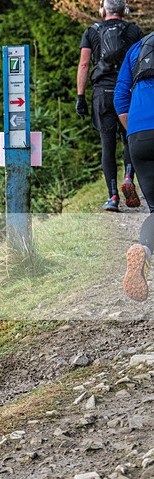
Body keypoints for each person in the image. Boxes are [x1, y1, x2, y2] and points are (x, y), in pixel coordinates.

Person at [76, 0, 143, 211]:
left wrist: (80, 96)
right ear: (124, 10)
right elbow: (142, 62)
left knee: (107, 143)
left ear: (102, 10)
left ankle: (113, 197)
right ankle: (128, 178)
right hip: (127, 92)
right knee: (129, 137)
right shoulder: (135, 31)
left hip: (102, 93)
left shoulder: (91, 32)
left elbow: (84, 64)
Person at [116, 31, 154, 301]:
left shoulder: (137, 48)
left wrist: (136, 133)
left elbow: (120, 98)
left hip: (138, 135)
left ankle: (145, 250)